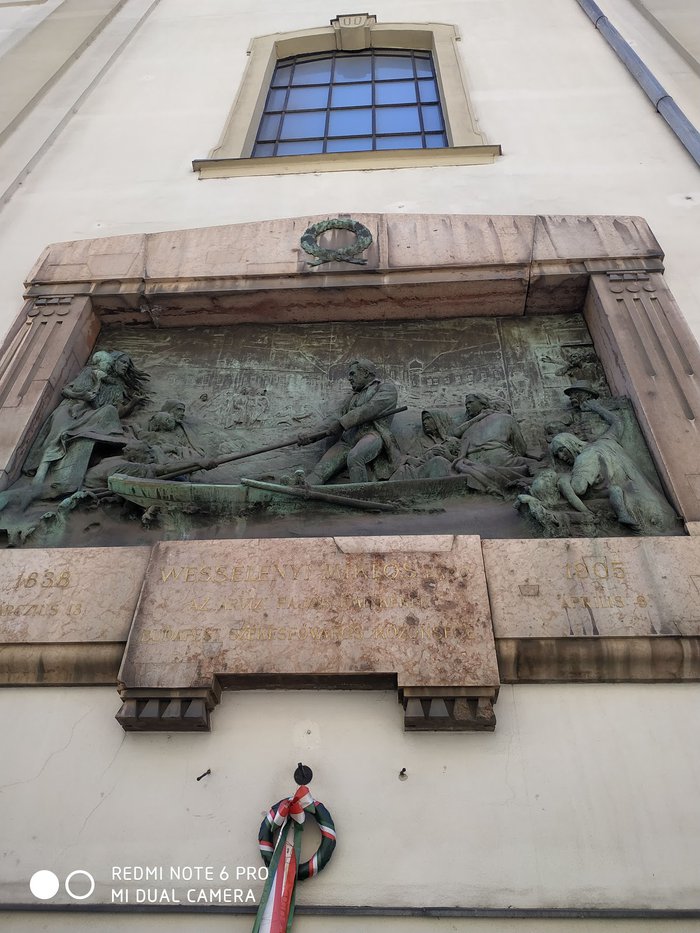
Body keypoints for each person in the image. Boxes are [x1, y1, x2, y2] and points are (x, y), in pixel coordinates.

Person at [20, 349, 149, 501]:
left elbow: (116, 412)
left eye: (128, 364)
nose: (126, 366)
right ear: (112, 362)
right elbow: (67, 390)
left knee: (109, 410)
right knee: (62, 431)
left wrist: (133, 402)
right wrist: (83, 395)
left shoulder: (118, 386)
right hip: (71, 409)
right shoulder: (90, 372)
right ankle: (41, 473)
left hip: (92, 415)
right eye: (123, 362)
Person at [549, 399, 677, 533]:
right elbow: (618, 422)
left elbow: (578, 488)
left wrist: (565, 478)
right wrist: (597, 407)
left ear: (571, 443)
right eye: (558, 455)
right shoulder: (607, 440)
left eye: (562, 450)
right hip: (662, 509)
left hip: (639, 511)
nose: (562, 457)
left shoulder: (585, 458)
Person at [300, 358, 400, 485]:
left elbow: (370, 408)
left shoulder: (386, 389)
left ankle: (361, 494)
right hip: (348, 440)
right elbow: (335, 418)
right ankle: (300, 490)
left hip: (372, 434)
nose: (349, 378)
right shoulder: (352, 398)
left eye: (352, 374)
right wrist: (311, 435)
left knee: (355, 456)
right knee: (321, 469)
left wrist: (342, 423)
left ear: (365, 373)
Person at [450, 393, 538, 495]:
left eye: (470, 402)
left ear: (483, 404)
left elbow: (456, 435)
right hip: (501, 459)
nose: (467, 406)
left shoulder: (468, 428)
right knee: (536, 464)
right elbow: (521, 449)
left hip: (472, 464)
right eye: (466, 405)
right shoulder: (507, 418)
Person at [391, 409, 460, 481]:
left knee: (438, 461)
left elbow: (464, 460)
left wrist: (450, 457)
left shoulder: (453, 441)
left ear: (438, 419)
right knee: (403, 470)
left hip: (445, 470)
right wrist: (409, 459)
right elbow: (404, 455)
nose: (424, 422)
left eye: (428, 418)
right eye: (423, 420)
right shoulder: (419, 441)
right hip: (422, 469)